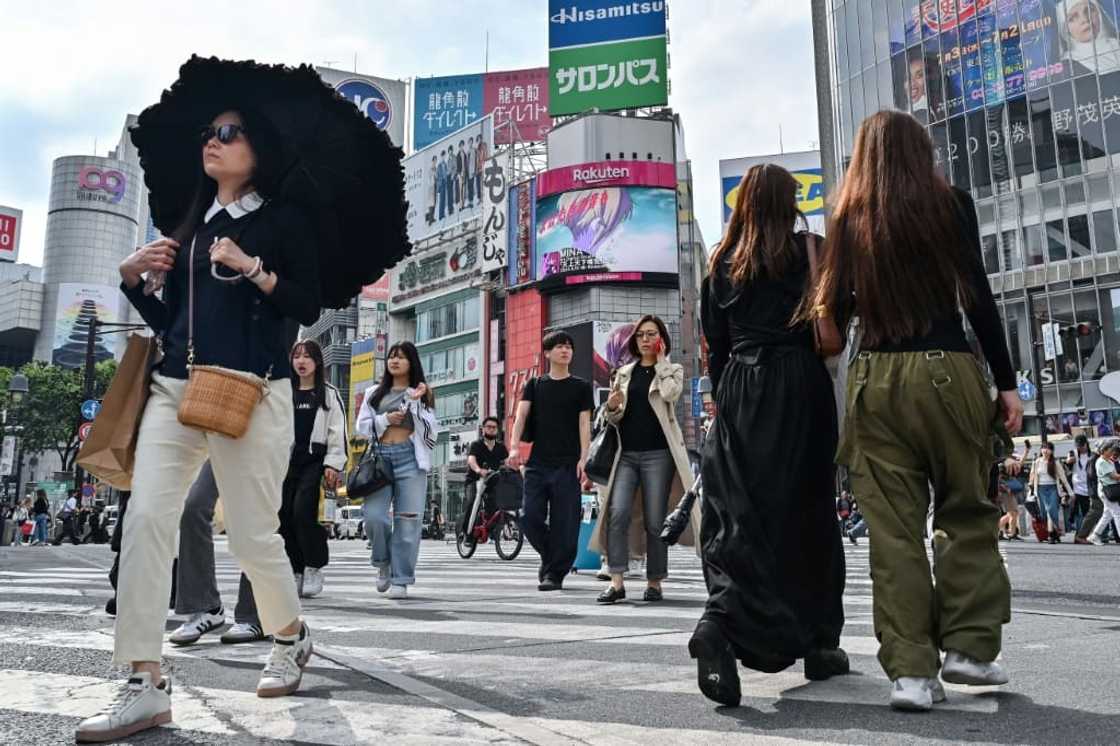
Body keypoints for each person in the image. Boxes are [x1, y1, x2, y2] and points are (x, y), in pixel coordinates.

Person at [76, 109, 321, 743]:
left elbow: (304, 304)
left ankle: (291, 637)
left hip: (252, 391)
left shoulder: (283, 221)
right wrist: (132, 283)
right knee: (147, 519)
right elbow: (174, 328)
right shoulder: (189, 225)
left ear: (257, 149)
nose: (213, 141)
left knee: (250, 536)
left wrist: (252, 267)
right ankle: (143, 682)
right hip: (173, 388)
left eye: (229, 133)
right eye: (209, 132)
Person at [811, 111, 1022, 711]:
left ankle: (910, 674)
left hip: (874, 375)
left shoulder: (849, 218)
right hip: (947, 368)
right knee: (965, 507)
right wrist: (1005, 384)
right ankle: (969, 649)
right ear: (920, 150)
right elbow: (977, 296)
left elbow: (838, 309)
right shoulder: (950, 203)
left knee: (893, 532)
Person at [694, 163, 849, 708]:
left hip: (740, 387)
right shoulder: (812, 250)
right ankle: (819, 642)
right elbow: (840, 322)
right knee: (808, 511)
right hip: (800, 386)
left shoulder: (722, 264)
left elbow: (714, 343)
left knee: (740, 516)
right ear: (790, 202)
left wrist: (730, 399)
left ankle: (722, 624)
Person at [592, 314, 700, 604]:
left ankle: (655, 582)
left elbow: (670, 394)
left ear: (661, 338)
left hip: (659, 455)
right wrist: (612, 407)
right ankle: (616, 581)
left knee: (655, 520)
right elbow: (613, 416)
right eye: (640, 335)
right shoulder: (624, 372)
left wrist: (662, 363)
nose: (645, 340)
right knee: (617, 513)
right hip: (624, 454)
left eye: (651, 334)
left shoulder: (672, 370)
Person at [507, 331, 594, 592]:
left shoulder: (581, 387)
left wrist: (584, 458)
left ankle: (554, 574)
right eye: (559, 347)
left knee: (565, 523)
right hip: (537, 464)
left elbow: (584, 424)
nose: (565, 350)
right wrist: (513, 448)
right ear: (547, 353)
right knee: (528, 516)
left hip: (568, 464)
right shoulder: (534, 385)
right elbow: (521, 418)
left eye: (568, 346)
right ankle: (551, 555)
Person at [356, 342, 437, 600]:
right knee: (374, 517)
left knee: (408, 520)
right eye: (392, 356)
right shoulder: (373, 393)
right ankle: (383, 563)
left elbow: (431, 432)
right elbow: (362, 427)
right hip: (381, 460)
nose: (395, 361)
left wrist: (415, 402)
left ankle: (401, 578)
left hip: (410, 460)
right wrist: (384, 420)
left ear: (411, 363)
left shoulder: (422, 392)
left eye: (401, 357)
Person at [283, 339, 348, 598]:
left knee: (302, 512)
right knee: (283, 513)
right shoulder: (283, 390)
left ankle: (313, 566)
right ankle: (296, 568)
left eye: (307, 357)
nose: (301, 361)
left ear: (317, 362)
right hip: (285, 462)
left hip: (315, 463)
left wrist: (334, 464)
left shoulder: (328, 393)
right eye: (296, 356)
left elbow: (337, 430)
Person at [462, 416, 509, 536]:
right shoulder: (476, 445)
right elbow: (471, 460)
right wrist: (478, 470)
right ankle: (466, 533)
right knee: (472, 502)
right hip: (474, 480)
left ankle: (489, 531)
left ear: (497, 430)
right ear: (483, 429)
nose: (491, 429)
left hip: (491, 482)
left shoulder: (501, 447)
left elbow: (508, 462)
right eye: (488, 427)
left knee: (496, 506)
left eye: (494, 427)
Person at [1028, 442, 1074, 543]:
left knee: (1050, 510)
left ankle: (1051, 534)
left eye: (1048, 448)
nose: (1045, 450)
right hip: (1040, 489)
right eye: (1043, 448)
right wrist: (1030, 487)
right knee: (1045, 512)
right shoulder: (1036, 462)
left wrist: (1070, 492)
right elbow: (1032, 476)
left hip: (1053, 488)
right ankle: (1055, 533)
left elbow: (1063, 478)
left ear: (1052, 451)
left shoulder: (1055, 462)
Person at [1088, 440, 1120, 545]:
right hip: (1106, 491)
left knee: (1108, 514)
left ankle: (1095, 535)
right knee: (1117, 513)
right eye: (1110, 449)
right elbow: (1114, 476)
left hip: (1109, 490)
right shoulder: (1101, 462)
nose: (1113, 452)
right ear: (1104, 450)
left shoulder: (1108, 461)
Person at [1067, 435, 1096, 541]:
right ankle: (1078, 535)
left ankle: (1084, 535)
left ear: (1086, 444)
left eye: (1081, 446)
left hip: (1088, 488)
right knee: (1077, 513)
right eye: (1078, 446)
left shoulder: (1092, 455)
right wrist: (1069, 461)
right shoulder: (1072, 452)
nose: (1079, 448)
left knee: (1087, 513)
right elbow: (1067, 463)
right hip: (1076, 487)